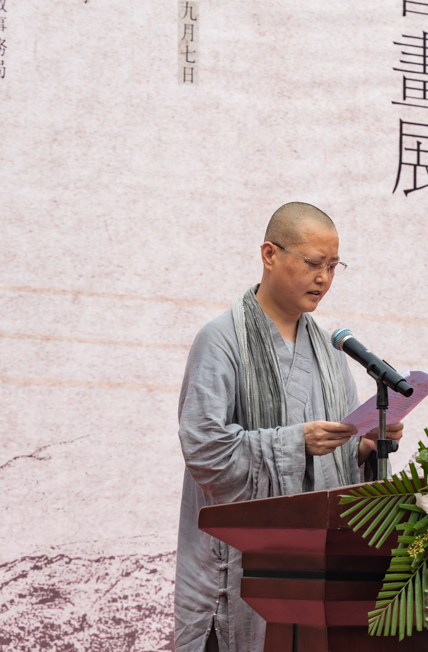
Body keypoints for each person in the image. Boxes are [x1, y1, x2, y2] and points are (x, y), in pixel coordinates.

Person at [174, 202, 404, 652]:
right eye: (314, 263)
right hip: (239, 569)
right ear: (269, 254)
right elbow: (204, 449)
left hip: (314, 577)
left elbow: (337, 450)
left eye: (334, 267)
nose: (324, 278)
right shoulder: (221, 339)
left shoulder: (330, 349)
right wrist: (293, 443)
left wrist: (364, 447)